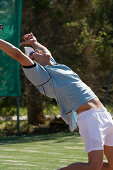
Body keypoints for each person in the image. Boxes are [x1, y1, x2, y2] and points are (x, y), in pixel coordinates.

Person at [0, 33, 113, 170]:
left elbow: (46, 53)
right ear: (34, 61)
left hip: (104, 115)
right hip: (89, 118)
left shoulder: (54, 66)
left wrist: (34, 43)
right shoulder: (42, 76)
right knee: (94, 165)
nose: (40, 51)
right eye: (35, 53)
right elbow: (18, 54)